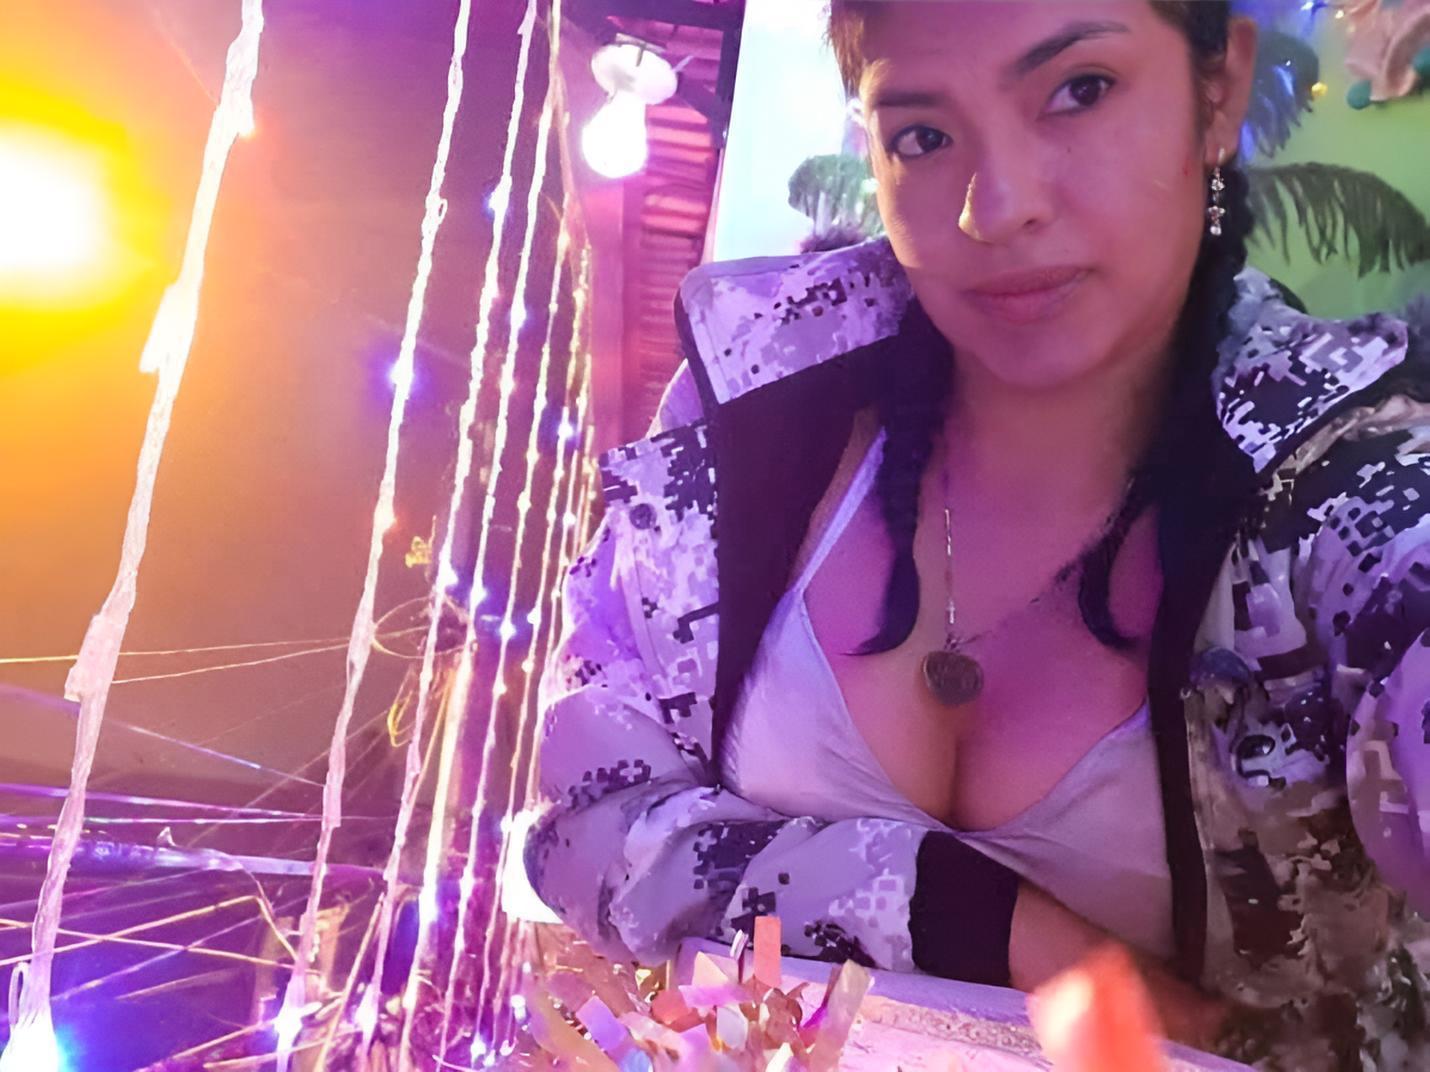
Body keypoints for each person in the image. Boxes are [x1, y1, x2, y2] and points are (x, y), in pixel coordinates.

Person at [525, 2, 1430, 1068]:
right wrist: (966, 920)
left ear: (1217, 88)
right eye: (923, 135)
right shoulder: (752, 413)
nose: (995, 208)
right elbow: (587, 824)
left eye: (1079, 91)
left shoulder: (1355, 495)